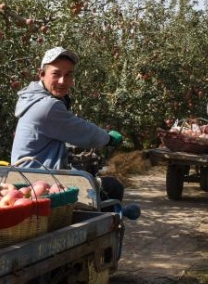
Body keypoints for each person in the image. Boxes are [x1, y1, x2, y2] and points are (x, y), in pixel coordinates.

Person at [10, 46, 125, 201]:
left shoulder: (32, 99)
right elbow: (84, 132)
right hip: (40, 183)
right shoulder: (47, 106)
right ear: (41, 74)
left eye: (68, 75)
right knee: (112, 187)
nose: (63, 81)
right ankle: (107, 224)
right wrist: (108, 138)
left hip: (28, 177)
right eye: (56, 74)